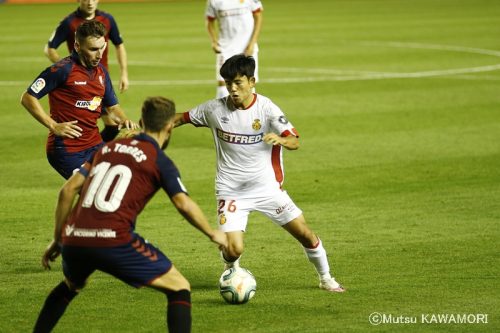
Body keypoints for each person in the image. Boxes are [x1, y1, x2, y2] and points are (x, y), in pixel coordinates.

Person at [33, 96, 228, 333]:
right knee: (179, 287)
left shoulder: (106, 148)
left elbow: (67, 191)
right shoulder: (158, 159)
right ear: (169, 127)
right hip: (113, 240)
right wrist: (212, 233)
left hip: (75, 238)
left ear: (141, 122)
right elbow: (183, 204)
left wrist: (58, 238)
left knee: (70, 285)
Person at [174, 54, 345, 292]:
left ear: (252, 81)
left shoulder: (266, 109)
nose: (232, 89)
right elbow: (180, 118)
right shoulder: (214, 109)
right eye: (228, 83)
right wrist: (148, 130)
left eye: (238, 83)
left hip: (267, 189)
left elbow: (294, 140)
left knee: (305, 234)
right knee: (233, 249)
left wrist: (281, 140)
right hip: (231, 191)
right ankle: (230, 268)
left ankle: (326, 278)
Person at [21, 20, 138, 180]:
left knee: (119, 187)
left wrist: (124, 120)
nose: (99, 54)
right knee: (94, 192)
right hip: (67, 150)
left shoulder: (101, 72)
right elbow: (28, 97)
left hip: (95, 145)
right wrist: (53, 125)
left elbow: (112, 108)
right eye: (93, 49)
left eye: (102, 47)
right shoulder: (62, 70)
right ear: (77, 46)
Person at [44, 0, 129, 141]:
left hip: (100, 80)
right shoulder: (69, 22)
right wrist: (66, 68)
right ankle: (90, 154)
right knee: (108, 125)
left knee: (111, 125)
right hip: (79, 83)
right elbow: (49, 48)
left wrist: (124, 73)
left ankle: (92, 154)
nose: (90, 3)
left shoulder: (107, 20)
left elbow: (119, 45)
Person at [205, 0, 263, 98]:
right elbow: (209, 21)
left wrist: (252, 43)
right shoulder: (214, 1)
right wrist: (214, 42)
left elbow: (258, 17)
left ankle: (249, 113)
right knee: (223, 83)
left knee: (249, 83)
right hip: (225, 49)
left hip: (247, 48)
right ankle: (220, 113)